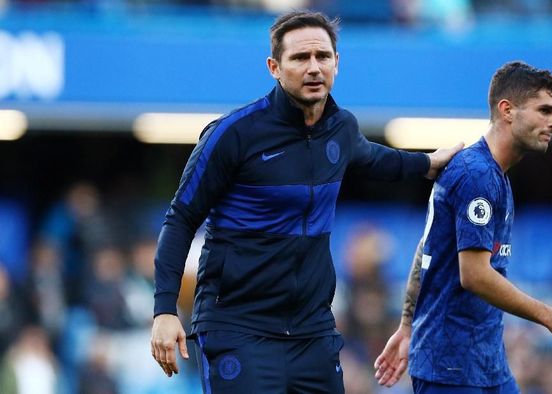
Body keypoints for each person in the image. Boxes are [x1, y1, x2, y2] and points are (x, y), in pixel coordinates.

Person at [149, 10, 462, 394]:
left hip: (312, 333)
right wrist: (164, 309)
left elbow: (376, 158)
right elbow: (180, 219)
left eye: (322, 57)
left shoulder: (341, 128)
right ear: (274, 67)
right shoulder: (233, 135)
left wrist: (428, 163)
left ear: (337, 63)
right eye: (300, 58)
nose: (313, 68)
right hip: (238, 330)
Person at [374, 61, 552, 393]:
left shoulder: (493, 175)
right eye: (544, 110)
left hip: (486, 363)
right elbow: (475, 274)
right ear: (507, 110)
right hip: (451, 369)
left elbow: (427, 248)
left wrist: (407, 327)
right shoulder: (476, 175)